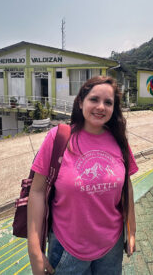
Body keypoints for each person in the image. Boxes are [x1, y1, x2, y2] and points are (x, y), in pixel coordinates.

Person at [27, 76, 138, 275]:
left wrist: (131, 230)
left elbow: (126, 187)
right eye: (94, 99)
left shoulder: (119, 141)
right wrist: (35, 250)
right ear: (81, 102)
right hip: (67, 249)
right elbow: (36, 192)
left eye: (108, 102)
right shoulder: (58, 138)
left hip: (111, 247)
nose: (101, 107)